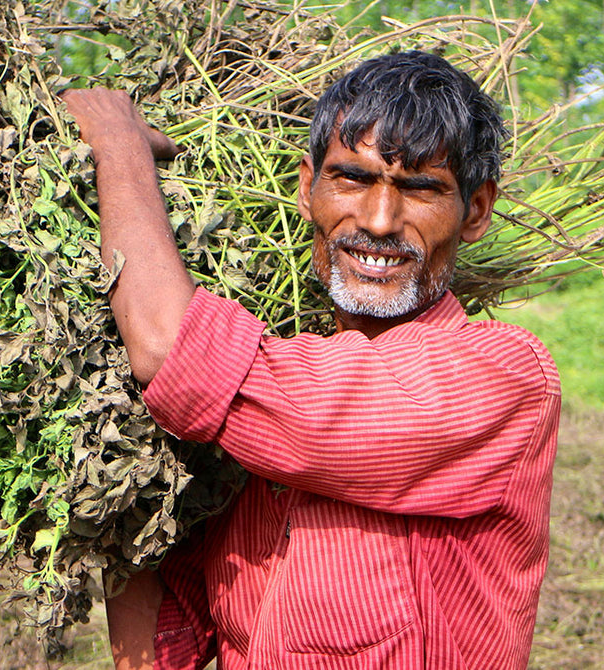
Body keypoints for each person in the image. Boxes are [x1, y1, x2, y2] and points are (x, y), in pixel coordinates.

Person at [62, 51, 560, 670]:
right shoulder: (269, 395)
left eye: (422, 188)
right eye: (351, 178)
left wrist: (118, 145)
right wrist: (116, 475)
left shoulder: (500, 376)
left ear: (476, 211)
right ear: (307, 189)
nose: (379, 221)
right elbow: (175, 637)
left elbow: (166, 347)